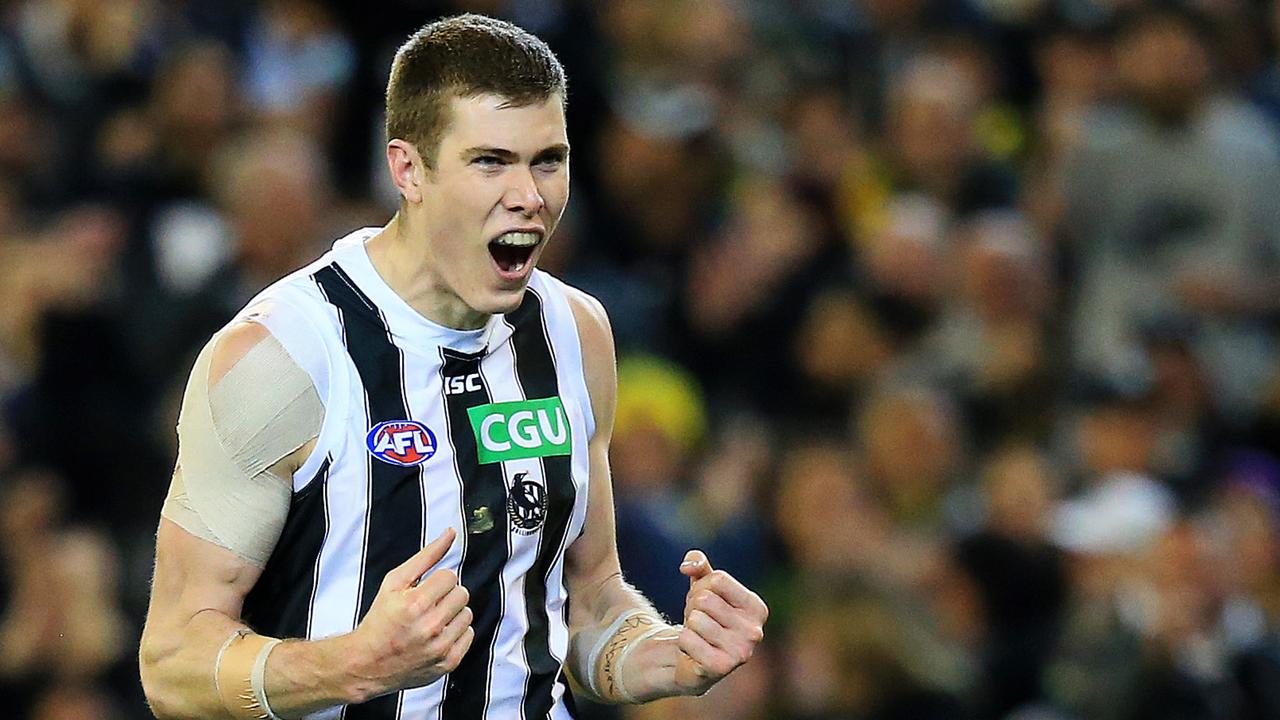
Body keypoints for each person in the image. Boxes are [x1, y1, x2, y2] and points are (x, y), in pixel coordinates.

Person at [137, 13, 767, 720]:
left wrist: (662, 654)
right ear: (408, 168)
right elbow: (173, 664)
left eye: (548, 160)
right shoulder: (281, 357)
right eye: (491, 161)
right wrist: (346, 667)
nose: (530, 195)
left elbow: (586, 600)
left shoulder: (575, 334)